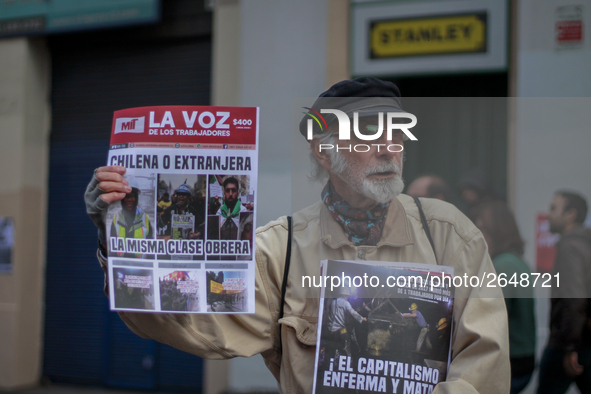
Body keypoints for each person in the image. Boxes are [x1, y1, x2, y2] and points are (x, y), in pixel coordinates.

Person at [85, 77, 510, 393]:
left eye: (397, 132)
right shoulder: (280, 250)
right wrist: (117, 240)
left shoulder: (449, 233)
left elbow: (484, 362)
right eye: (368, 133)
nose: (388, 147)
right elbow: (193, 320)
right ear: (324, 151)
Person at [473, 201, 536, 394]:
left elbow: (489, 319)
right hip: (524, 359)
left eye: (481, 227)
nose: (477, 233)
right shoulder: (517, 261)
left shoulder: (501, 266)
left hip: (510, 362)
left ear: (496, 230)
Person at [538, 191, 591, 394]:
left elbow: (574, 298)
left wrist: (570, 347)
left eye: (554, 208)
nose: (549, 214)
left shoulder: (570, 246)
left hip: (566, 343)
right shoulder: (585, 243)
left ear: (571, 214)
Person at [110, 184, 153, 258]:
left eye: (132, 196)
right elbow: (112, 245)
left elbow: (150, 244)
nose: (129, 199)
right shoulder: (116, 218)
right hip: (122, 263)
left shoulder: (144, 217)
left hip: (141, 263)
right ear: (122, 199)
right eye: (126, 196)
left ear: (136, 198)